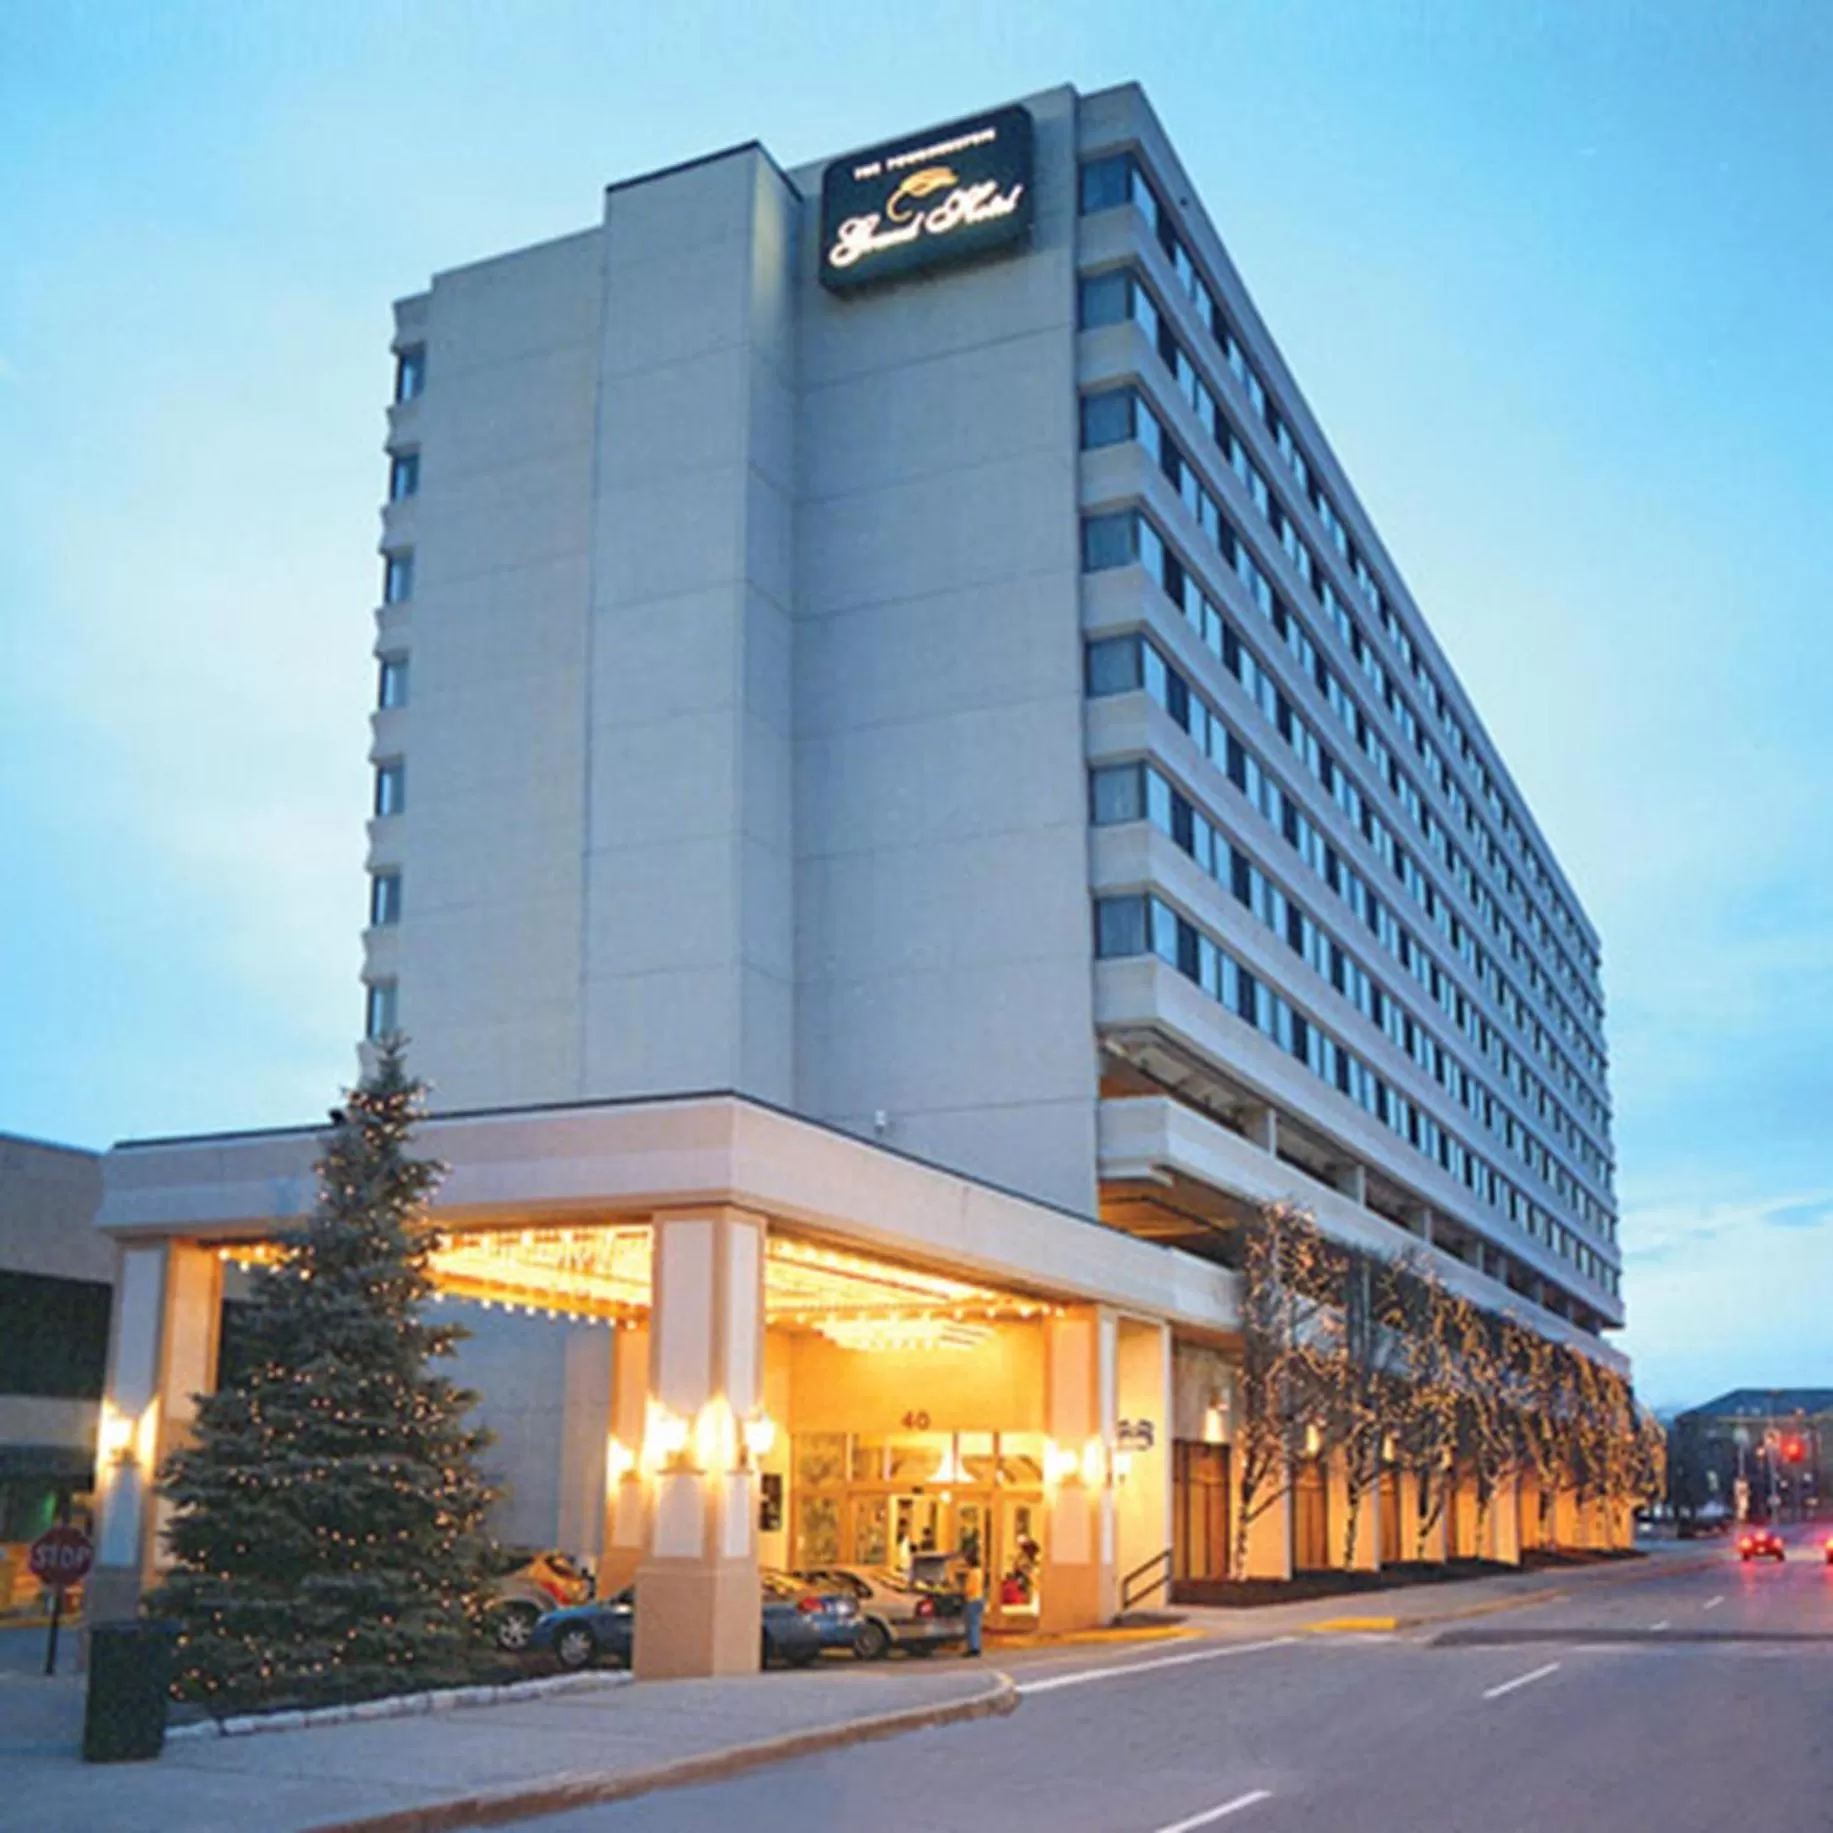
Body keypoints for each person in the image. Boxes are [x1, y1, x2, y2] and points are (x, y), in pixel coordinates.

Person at [958, 1552, 985, 1658]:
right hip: (979, 1598)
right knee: (976, 1625)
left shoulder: (972, 1573)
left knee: (971, 1626)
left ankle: (973, 1648)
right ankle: (976, 1646)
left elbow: (968, 1589)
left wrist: (961, 1591)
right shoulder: (979, 1571)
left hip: (972, 1600)